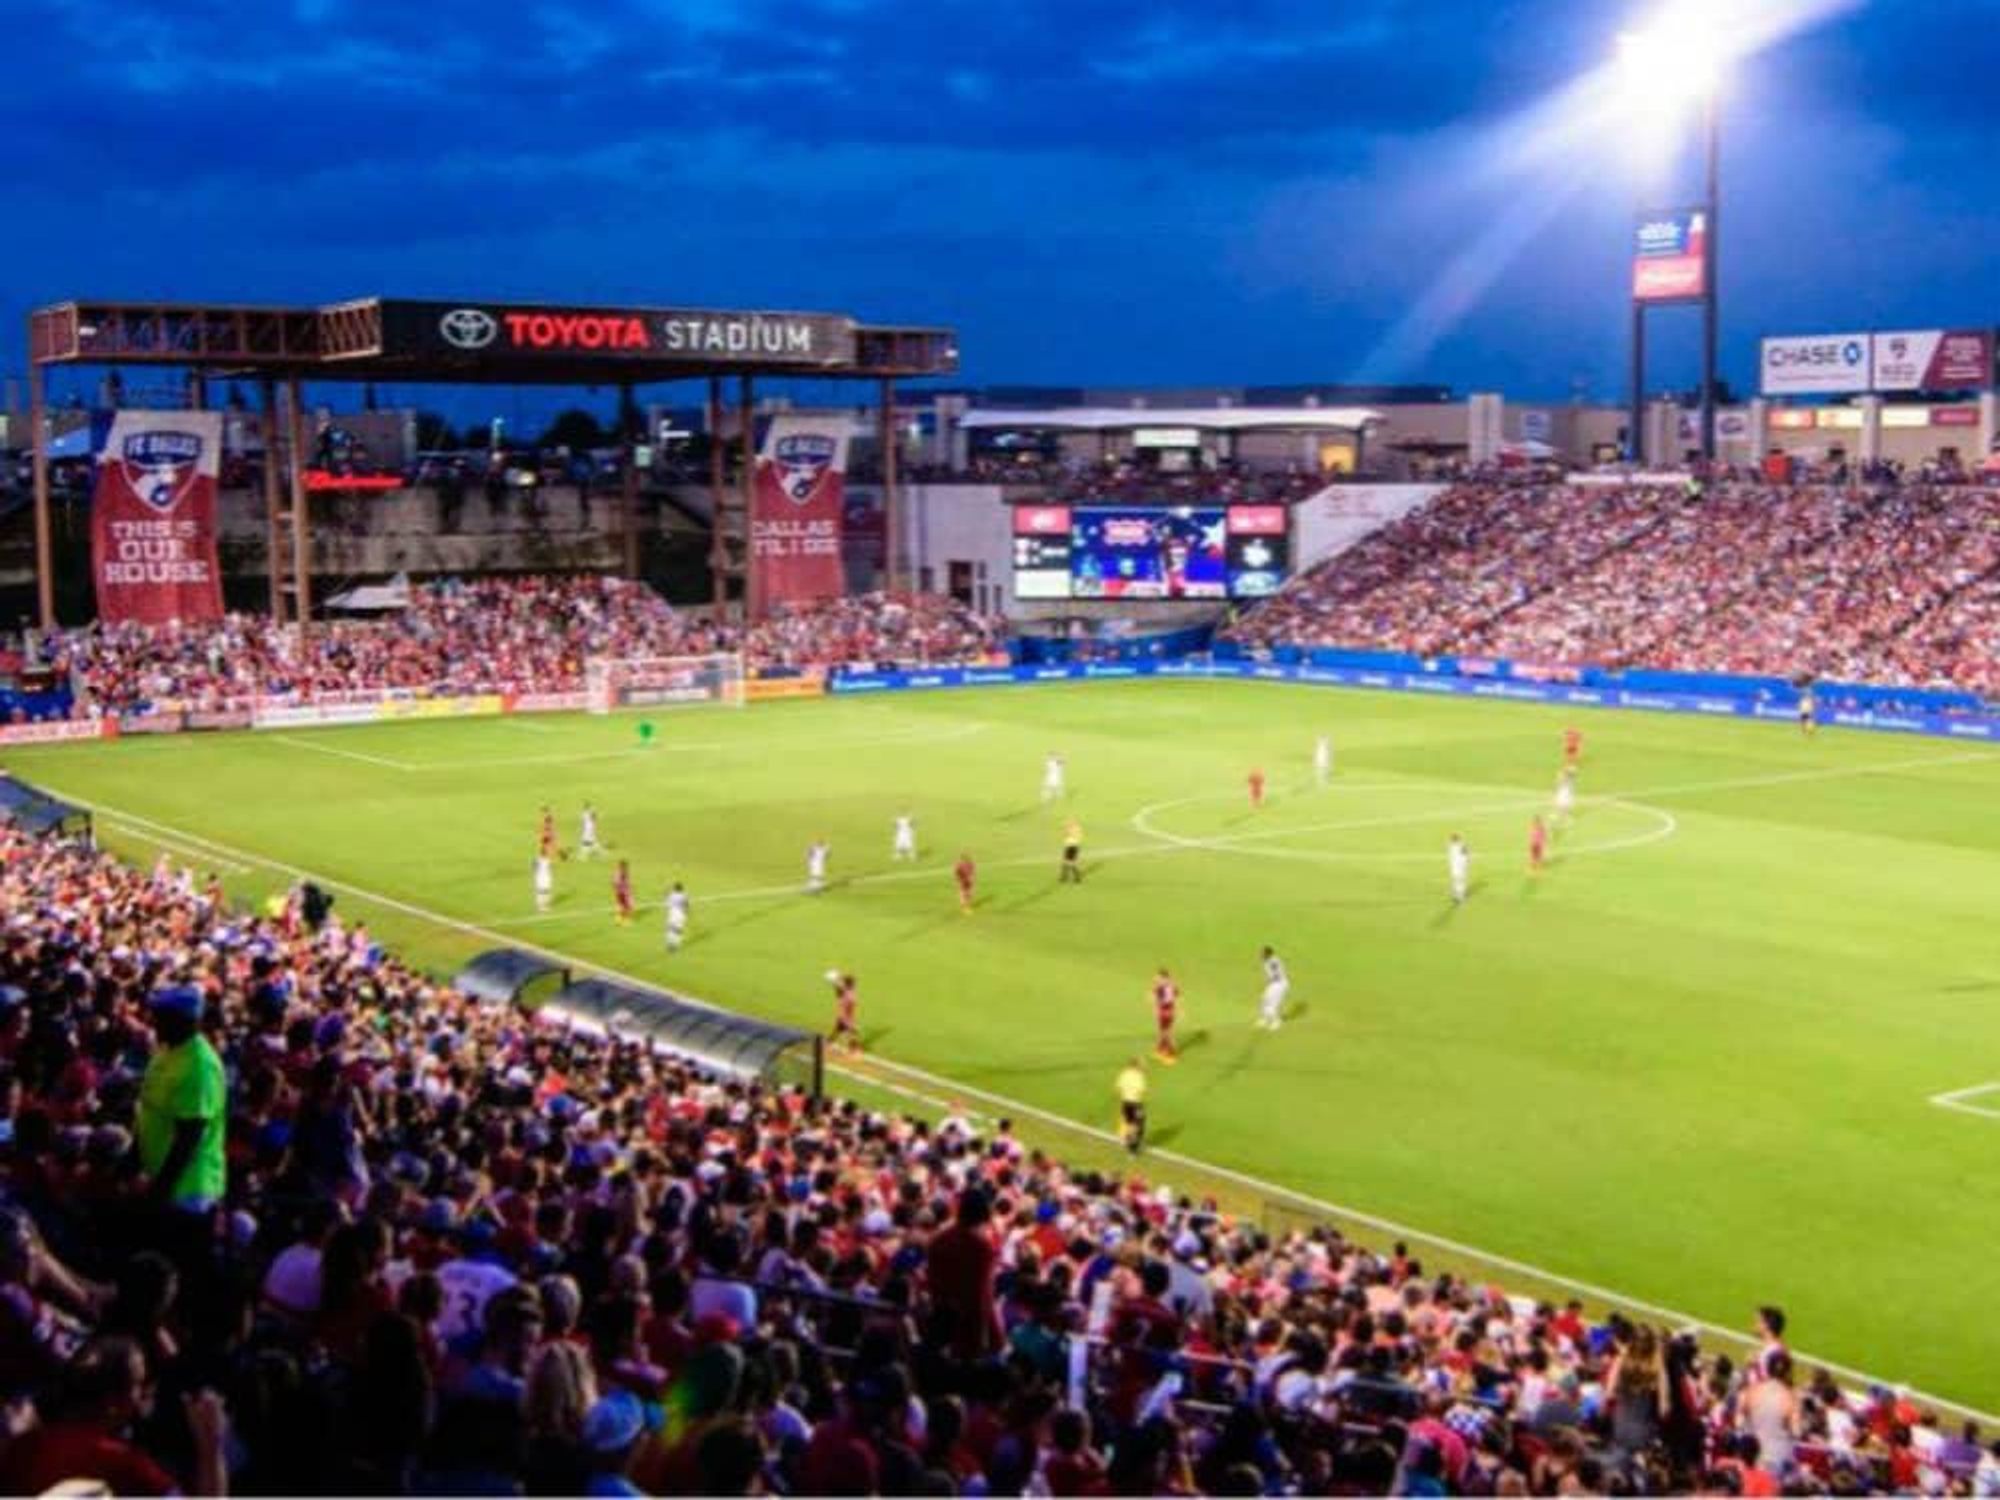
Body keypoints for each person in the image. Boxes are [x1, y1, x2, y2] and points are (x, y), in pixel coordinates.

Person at [137, 984, 227, 1216]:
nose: (153, 1022)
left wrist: (159, 1190)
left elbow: (189, 1136)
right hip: (160, 1178)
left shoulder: (199, 1065)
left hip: (186, 1191)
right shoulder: (167, 1052)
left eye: (160, 1018)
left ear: (183, 1023)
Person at [1116, 1058, 1148, 1153]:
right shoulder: (1139, 1076)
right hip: (1136, 1103)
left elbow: (1118, 1087)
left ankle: (1126, 1140)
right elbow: (1142, 1089)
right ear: (1136, 1066)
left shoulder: (1124, 1074)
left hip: (1125, 1102)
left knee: (1129, 1123)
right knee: (1138, 1125)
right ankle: (1133, 1148)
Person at [1151, 968, 1180, 1064]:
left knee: (1168, 1033)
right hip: (1164, 1010)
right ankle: (1160, 1050)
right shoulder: (1166, 986)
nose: (1157, 979)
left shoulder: (1166, 987)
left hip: (1166, 1010)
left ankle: (1172, 1055)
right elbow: (1176, 997)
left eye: (1159, 978)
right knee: (1162, 1031)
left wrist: (1157, 1008)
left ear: (1164, 977)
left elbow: (1171, 999)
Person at [1256, 946, 1289, 1030]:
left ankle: (1276, 1022)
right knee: (1263, 1000)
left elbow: (1277, 974)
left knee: (1273, 1004)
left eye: (1262, 953)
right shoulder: (1268, 961)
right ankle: (1264, 1019)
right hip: (1273, 984)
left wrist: (1270, 979)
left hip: (1280, 984)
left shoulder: (1273, 962)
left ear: (1268, 954)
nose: (1260, 955)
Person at [827, 970, 860, 1054]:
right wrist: (837, 978)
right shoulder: (849, 993)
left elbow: (841, 986)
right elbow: (842, 986)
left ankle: (829, 1042)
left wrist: (837, 978)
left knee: (838, 1029)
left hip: (844, 1015)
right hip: (845, 1016)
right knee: (851, 1032)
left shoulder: (846, 991)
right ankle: (853, 1050)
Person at [664, 881, 689, 952]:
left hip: (672, 913)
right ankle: (676, 945)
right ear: (681, 889)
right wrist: (686, 912)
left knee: (669, 929)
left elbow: (667, 904)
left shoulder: (671, 895)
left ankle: (669, 944)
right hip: (681, 914)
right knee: (678, 930)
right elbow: (687, 905)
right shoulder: (684, 895)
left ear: (675, 889)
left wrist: (666, 894)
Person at [1448, 832, 1470, 905]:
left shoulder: (1451, 847)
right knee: (1461, 882)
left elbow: (1465, 853)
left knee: (1455, 881)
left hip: (1454, 868)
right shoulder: (1461, 845)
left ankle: (1455, 895)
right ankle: (1460, 897)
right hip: (1460, 867)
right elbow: (1466, 854)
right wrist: (1467, 861)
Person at [1060, 816, 1084, 884]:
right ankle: (1067, 877)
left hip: (1071, 846)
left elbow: (1067, 834)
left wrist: (1067, 830)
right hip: (1073, 846)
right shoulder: (1077, 829)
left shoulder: (1074, 829)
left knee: (1069, 862)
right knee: (1069, 862)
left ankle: (1073, 877)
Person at [612, 860, 633, 926]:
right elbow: (618, 882)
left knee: (621, 905)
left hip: (619, 892)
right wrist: (627, 890)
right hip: (623, 892)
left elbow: (614, 883)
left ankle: (618, 919)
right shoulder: (622, 873)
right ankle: (626, 921)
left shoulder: (618, 873)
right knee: (629, 906)